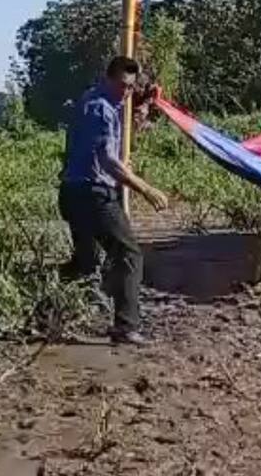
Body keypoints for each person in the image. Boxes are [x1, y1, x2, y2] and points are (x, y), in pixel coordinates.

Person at [58, 56, 169, 345]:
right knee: (129, 254)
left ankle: (42, 306)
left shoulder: (98, 100)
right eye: (121, 85)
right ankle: (126, 327)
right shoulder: (100, 108)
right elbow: (108, 161)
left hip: (73, 193)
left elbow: (121, 130)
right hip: (92, 194)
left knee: (86, 263)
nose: (126, 92)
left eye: (131, 87)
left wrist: (145, 105)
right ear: (107, 78)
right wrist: (146, 188)